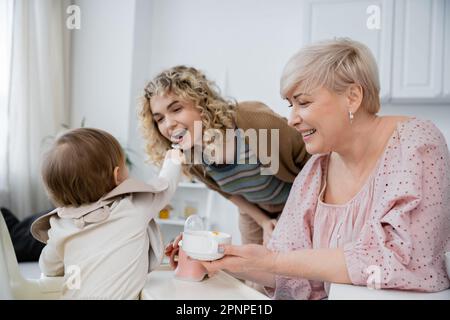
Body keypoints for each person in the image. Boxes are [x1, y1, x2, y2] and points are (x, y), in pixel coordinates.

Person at [197, 38, 450, 299]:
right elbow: (289, 270)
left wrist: (271, 261)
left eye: (303, 103)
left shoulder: (416, 143)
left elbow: (400, 261)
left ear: (352, 97)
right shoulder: (315, 171)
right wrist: (224, 261)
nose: (292, 120)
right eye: (289, 105)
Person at [140, 65, 310, 247]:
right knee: (253, 271)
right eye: (159, 119)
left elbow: (310, 159)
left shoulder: (253, 120)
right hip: (254, 211)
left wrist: (293, 215)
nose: (169, 124)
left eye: (176, 109)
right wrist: (262, 221)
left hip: (301, 198)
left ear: (201, 102)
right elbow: (227, 193)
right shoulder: (191, 155)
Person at [30, 128, 184, 299]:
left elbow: (48, 267)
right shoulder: (132, 206)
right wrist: (174, 159)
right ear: (117, 175)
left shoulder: (59, 226)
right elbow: (165, 185)